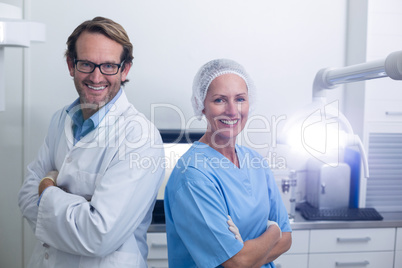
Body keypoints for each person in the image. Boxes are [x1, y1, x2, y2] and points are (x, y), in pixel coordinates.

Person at [18, 17, 165, 268]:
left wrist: (47, 188)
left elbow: (99, 235)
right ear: (70, 65)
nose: (96, 77)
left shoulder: (140, 137)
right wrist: (80, 206)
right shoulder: (60, 120)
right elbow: (26, 198)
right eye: (86, 64)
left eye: (108, 65)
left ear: (125, 69)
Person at [164, 58, 292, 267]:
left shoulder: (255, 162)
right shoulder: (194, 176)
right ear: (201, 106)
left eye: (240, 99)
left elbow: (287, 240)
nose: (233, 111)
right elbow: (237, 262)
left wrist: (250, 249)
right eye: (220, 100)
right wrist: (273, 231)